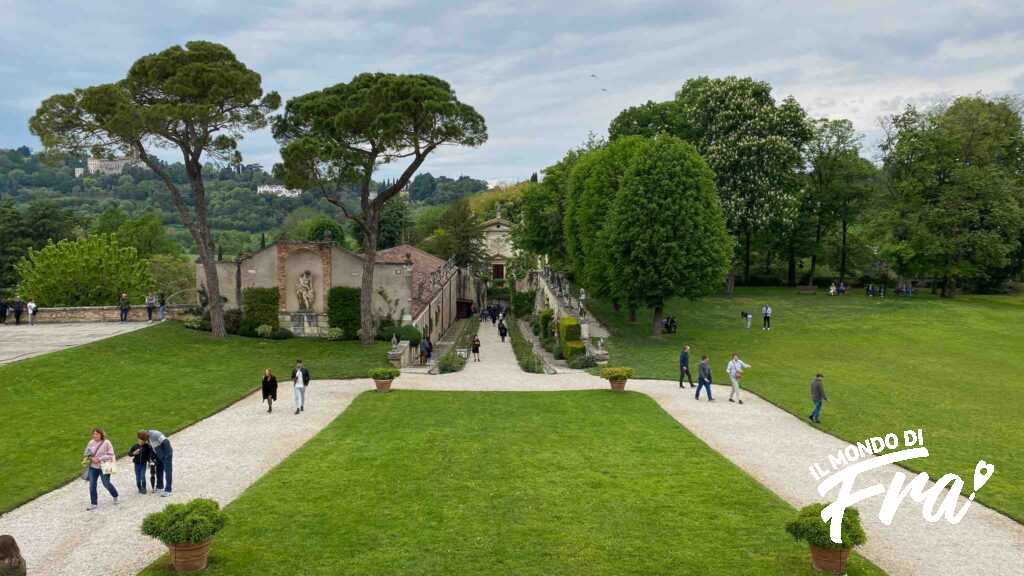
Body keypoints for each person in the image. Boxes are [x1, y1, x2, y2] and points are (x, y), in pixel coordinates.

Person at [83, 427, 119, 510]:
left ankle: (115, 495)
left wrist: (99, 459)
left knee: (106, 483)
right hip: (93, 467)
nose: (95, 435)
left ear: (101, 435)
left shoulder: (107, 442)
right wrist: (91, 459)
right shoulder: (91, 442)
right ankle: (94, 503)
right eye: (94, 434)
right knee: (92, 485)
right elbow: (87, 453)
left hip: (106, 465)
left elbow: (111, 455)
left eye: (97, 434)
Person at [138, 429, 173, 496]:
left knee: (168, 470)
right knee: (159, 470)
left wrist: (166, 456)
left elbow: (166, 443)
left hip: (166, 454)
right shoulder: (148, 438)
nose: (145, 441)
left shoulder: (155, 434)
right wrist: (153, 458)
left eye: (144, 439)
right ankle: (160, 486)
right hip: (159, 455)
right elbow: (153, 448)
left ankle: (168, 490)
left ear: (145, 435)